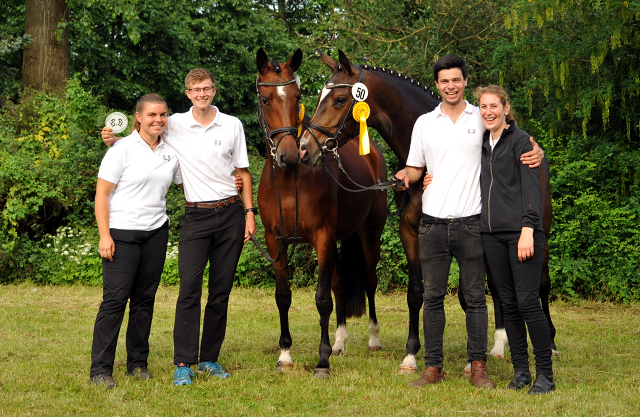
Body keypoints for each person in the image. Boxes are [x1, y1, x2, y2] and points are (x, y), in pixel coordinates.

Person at [394, 55, 542, 389]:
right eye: (444, 81)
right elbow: (416, 167)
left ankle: (478, 366)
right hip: (431, 224)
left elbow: (514, 138)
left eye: (456, 80)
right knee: (432, 298)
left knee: (475, 298)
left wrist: (538, 151)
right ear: (437, 85)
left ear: (464, 81)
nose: (451, 86)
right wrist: (406, 174)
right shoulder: (424, 123)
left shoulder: (482, 116)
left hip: (472, 223)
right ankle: (433, 367)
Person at [102, 68, 256, 386]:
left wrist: (250, 213)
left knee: (220, 291)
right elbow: (144, 133)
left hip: (230, 214)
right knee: (188, 290)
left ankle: (210, 359)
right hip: (195, 217)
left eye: (207, 88)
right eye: (196, 89)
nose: (202, 93)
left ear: (214, 90)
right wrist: (113, 140)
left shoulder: (232, 125)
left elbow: (243, 172)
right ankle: (184, 362)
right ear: (187, 94)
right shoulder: (174, 124)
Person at [91, 93, 181, 388]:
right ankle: (101, 370)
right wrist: (105, 235)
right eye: (152, 115)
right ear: (138, 117)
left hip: (156, 232)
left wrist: (233, 181)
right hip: (121, 233)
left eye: (163, 114)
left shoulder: (171, 152)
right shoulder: (121, 149)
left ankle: (137, 363)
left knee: (144, 301)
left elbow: (189, 181)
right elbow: (102, 195)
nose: (158, 120)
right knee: (115, 301)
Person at [475, 85, 555, 394]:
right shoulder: (481, 144)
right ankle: (521, 372)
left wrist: (527, 230)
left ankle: (545, 375)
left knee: (527, 302)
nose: (489, 112)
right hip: (491, 236)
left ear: (506, 109)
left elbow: (532, 191)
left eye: (494, 106)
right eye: (483, 107)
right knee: (507, 305)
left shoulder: (522, 142)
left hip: (522, 234)